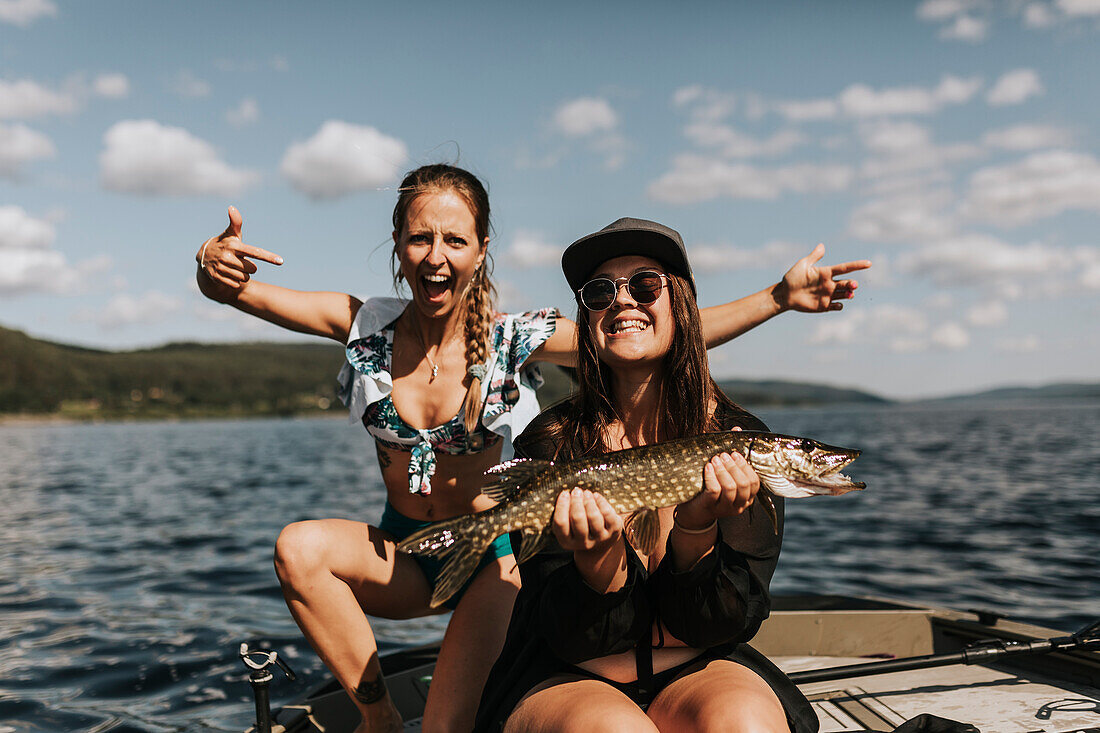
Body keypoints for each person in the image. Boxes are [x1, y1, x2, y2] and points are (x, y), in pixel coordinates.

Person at [195, 164, 866, 732]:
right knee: (298, 548)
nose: (435, 254)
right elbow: (243, 294)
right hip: (408, 549)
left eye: (453, 238)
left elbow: (640, 330)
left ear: (480, 249)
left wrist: (777, 298)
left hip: (499, 555)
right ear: (397, 246)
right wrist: (212, 268)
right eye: (419, 237)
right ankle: (377, 720)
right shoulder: (364, 323)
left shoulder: (518, 336)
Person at [474, 218, 818, 732]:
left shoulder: (741, 437)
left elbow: (727, 621)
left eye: (645, 284)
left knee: (747, 724)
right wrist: (595, 557)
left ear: (678, 302)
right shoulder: (549, 445)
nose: (623, 301)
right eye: (599, 291)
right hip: (570, 674)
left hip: (699, 668)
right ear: (587, 317)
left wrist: (697, 527)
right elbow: (566, 632)